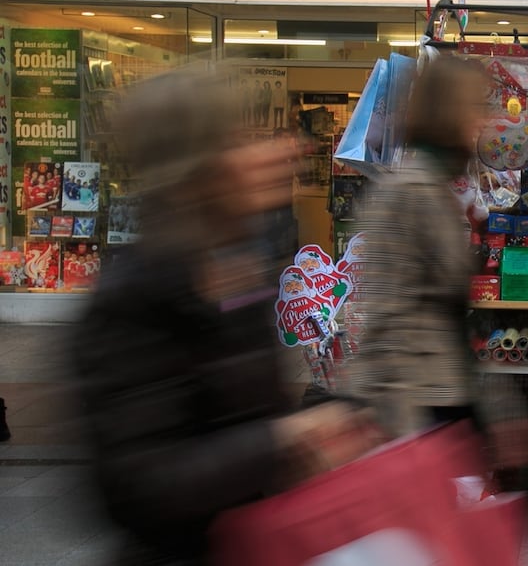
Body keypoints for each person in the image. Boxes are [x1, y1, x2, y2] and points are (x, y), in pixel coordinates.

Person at [72, 67, 379, 565]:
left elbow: (246, 410)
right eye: (237, 143)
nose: (264, 154)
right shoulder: (135, 295)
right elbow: (139, 484)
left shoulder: (233, 262)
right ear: (199, 170)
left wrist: (321, 425)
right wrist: (283, 440)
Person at [345, 55, 528, 470]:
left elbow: (450, 318)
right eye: (473, 107)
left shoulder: (439, 187)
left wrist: (496, 410)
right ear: (447, 113)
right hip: (417, 409)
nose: (482, 120)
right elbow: (388, 320)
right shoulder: (409, 192)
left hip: (442, 399)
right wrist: (397, 434)